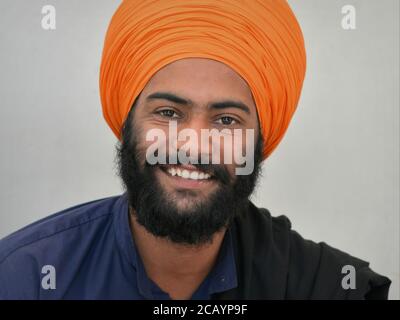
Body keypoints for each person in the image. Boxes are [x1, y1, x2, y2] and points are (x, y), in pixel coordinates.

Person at [0, 0, 391, 300]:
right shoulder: (27, 277)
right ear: (127, 122)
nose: (193, 144)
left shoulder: (319, 286)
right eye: (168, 112)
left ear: (259, 141)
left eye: (226, 121)